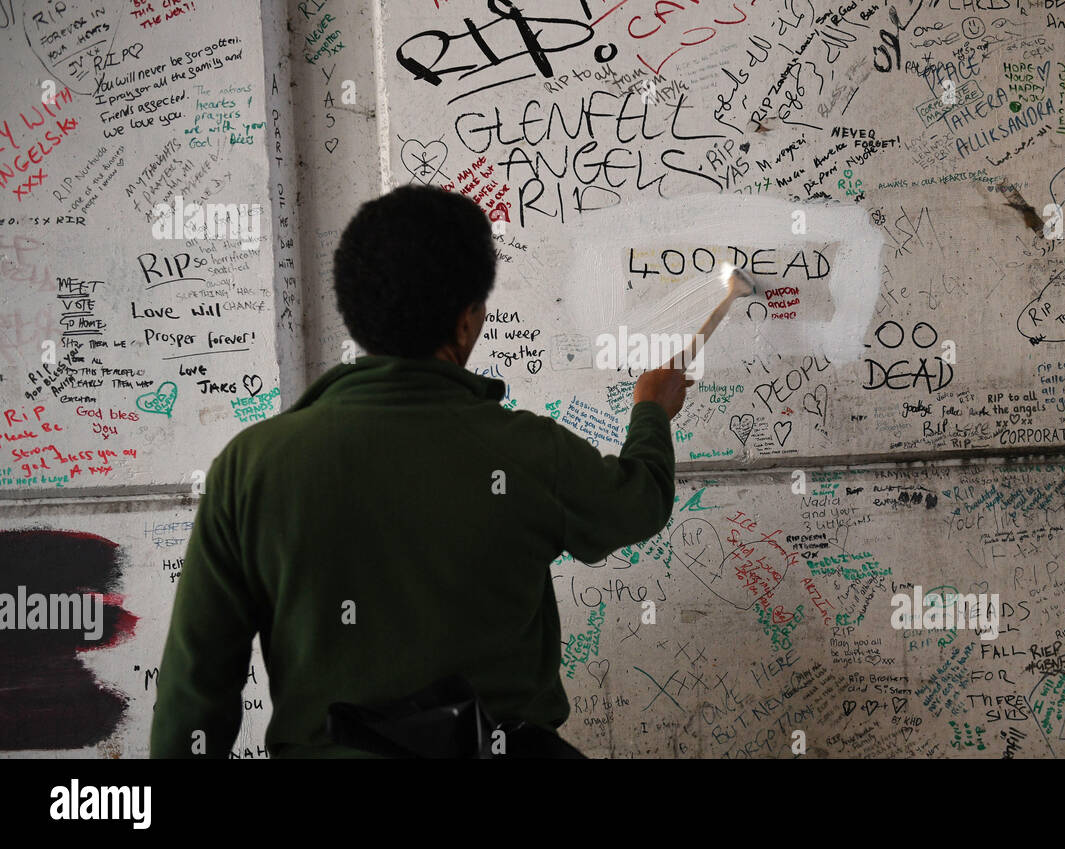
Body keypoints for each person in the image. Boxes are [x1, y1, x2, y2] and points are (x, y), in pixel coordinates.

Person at [150, 185, 688, 758]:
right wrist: (652, 410)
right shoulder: (525, 452)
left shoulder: (250, 467)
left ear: (355, 312)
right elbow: (639, 502)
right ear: (464, 323)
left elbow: (194, 693)